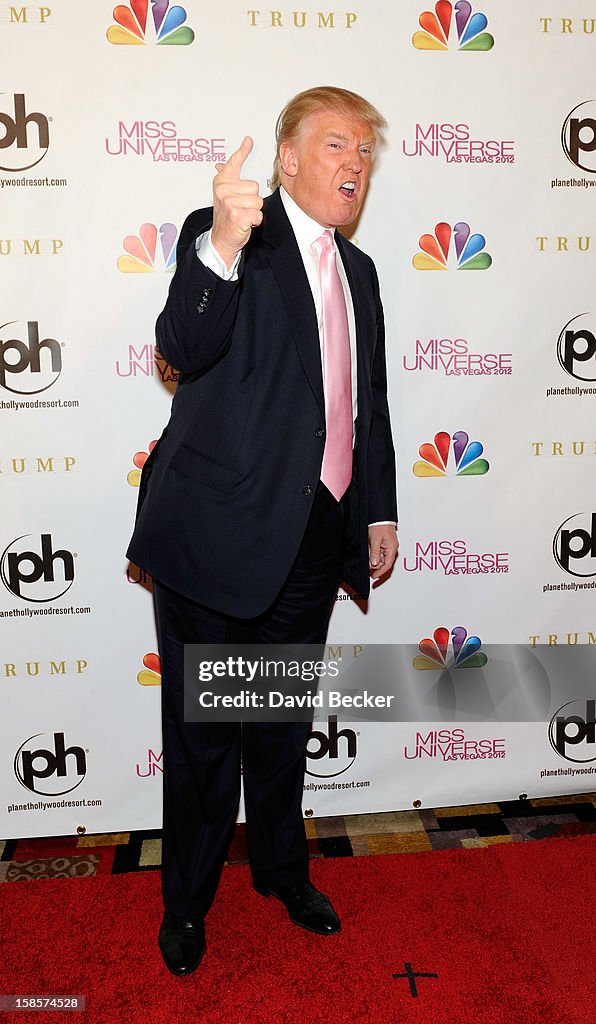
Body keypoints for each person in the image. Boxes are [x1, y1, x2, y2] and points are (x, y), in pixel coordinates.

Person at [127, 85, 398, 976]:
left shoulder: (361, 274)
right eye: (333, 144)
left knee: (280, 724)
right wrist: (219, 246)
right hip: (216, 540)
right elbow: (183, 347)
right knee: (206, 738)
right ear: (287, 158)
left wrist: (379, 509)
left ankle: (282, 871)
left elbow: (369, 410)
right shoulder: (229, 237)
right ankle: (187, 905)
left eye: (363, 149)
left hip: (314, 542)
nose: (353, 161)